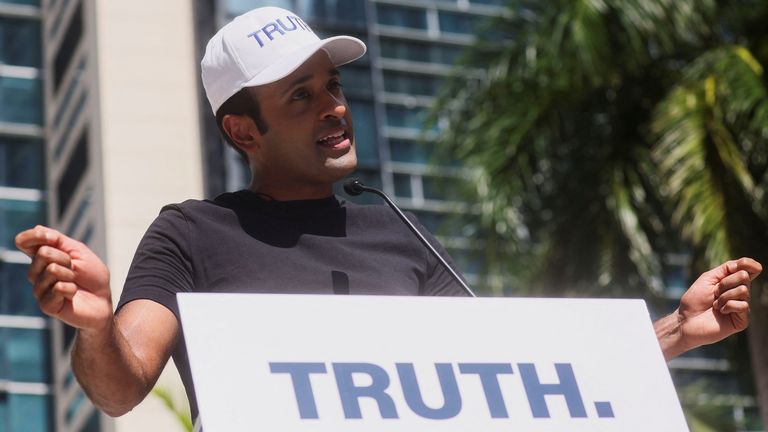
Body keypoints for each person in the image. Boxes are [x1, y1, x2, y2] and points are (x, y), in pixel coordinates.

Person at [13, 5, 763, 426]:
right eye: (299, 97)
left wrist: (675, 331)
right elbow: (120, 387)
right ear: (243, 131)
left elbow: (509, 376)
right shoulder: (193, 232)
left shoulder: (392, 225)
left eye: (331, 86)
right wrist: (93, 324)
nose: (334, 108)